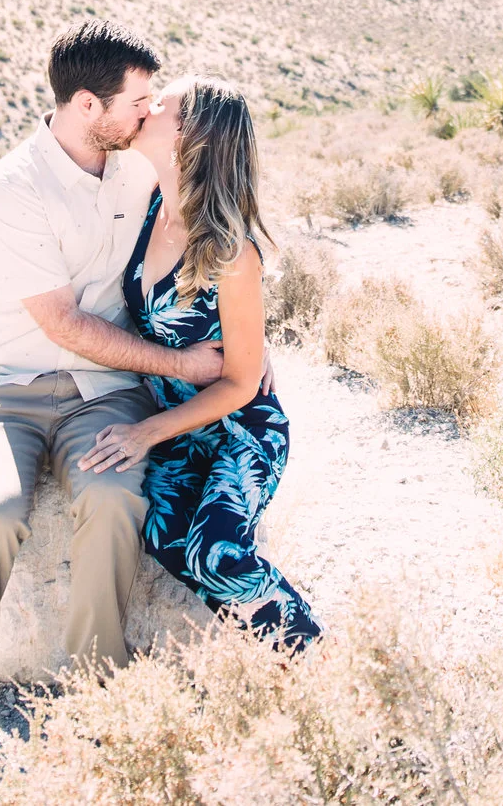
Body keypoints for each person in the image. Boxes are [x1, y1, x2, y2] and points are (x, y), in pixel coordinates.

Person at [0, 20, 231, 764]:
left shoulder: (137, 161)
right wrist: (183, 369)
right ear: (88, 105)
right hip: (8, 383)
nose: (148, 112)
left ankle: (98, 683)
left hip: (105, 392)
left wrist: (252, 342)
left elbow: (222, 200)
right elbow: (62, 322)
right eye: (137, 99)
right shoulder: (15, 186)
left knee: (113, 499)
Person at [78, 77, 320, 649]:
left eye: (161, 103)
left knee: (215, 552)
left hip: (240, 428)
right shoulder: (150, 205)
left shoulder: (230, 250)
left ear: (190, 135)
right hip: (183, 431)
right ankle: (274, 653)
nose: (146, 106)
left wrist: (145, 432)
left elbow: (240, 381)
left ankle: (320, 663)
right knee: (162, 534)